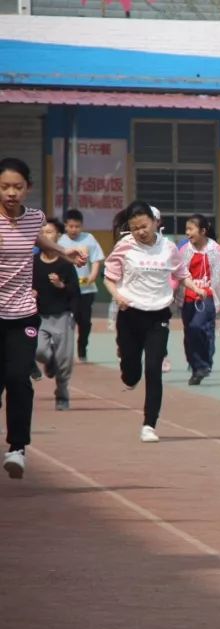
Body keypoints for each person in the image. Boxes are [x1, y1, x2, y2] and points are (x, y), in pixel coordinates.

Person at [0, 157, 86, 478]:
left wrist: (66, 252)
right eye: (5, 187)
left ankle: (17, 448)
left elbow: (37, 237)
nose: (11, 193)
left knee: (19, 379)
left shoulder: (34, 217)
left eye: (17, 187)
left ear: (28, 188)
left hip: (22, 314)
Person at [104, 201, 205, 443]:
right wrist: (117, 295)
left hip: (158, 315)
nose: (140, 231)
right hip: (130, 314)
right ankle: (128, 369)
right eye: (135, 227)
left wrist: (196, 288)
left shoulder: (169, 248)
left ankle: (149, 424)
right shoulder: (124, 246)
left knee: (153, 369)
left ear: (155, 222)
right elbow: (109, 278)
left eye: (144, 226)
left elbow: (181, 275)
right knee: (131, 374)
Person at [177, 214, 220, 386]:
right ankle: (197, 368)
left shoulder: (217, 250)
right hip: (188, 298)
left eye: (191, 229)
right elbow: (175, 274)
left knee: (197, 327)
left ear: (203, 231)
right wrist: (167, 291)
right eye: (186, 229)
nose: (187, 233)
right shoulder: (184, 251)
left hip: (208, 297)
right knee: (190, 334)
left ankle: (204, 363)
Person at [33, 219, 79, 411]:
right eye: (42, 232)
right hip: (39, 316)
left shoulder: (65, 264)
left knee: (64, 360)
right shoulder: (32, 263)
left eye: (49, 232)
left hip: (62, 316)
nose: (45, 235)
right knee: (39, 350)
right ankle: (49, 362)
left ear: (57, 236)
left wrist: (62, 286)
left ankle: (62, 393)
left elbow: (75, 291)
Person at [59, 209, 105, 362]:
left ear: (82, 226)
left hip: (87, 289)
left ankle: (82, 350)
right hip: (67, 290)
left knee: (84, 322)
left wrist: (93, 275)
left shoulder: (89, 238)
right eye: (71, 226)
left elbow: (97, 259)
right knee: (67, 322)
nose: (74, 230)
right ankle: (65, 352)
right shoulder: (60, 241)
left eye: (77, 226)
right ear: (65, 226)